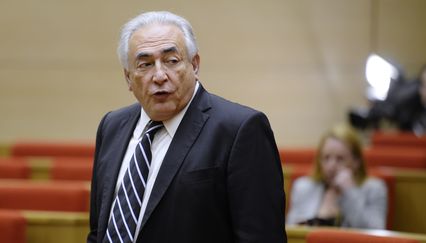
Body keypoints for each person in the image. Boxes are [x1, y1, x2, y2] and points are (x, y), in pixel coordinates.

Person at [87, 11, 287, 243]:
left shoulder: (240, 129)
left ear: (194, 65)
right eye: (145, 64)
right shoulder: (112, 126)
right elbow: (98, 231)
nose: (159, 75)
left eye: (172, 61)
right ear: (128, 78)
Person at [286, 124, 387, 229]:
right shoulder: (303, 187)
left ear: (356, 162)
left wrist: (350, 191)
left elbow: (375, 232)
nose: (331, 166)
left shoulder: (374, 189)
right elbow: (291, 232)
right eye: (326, 158)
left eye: (340, 159)